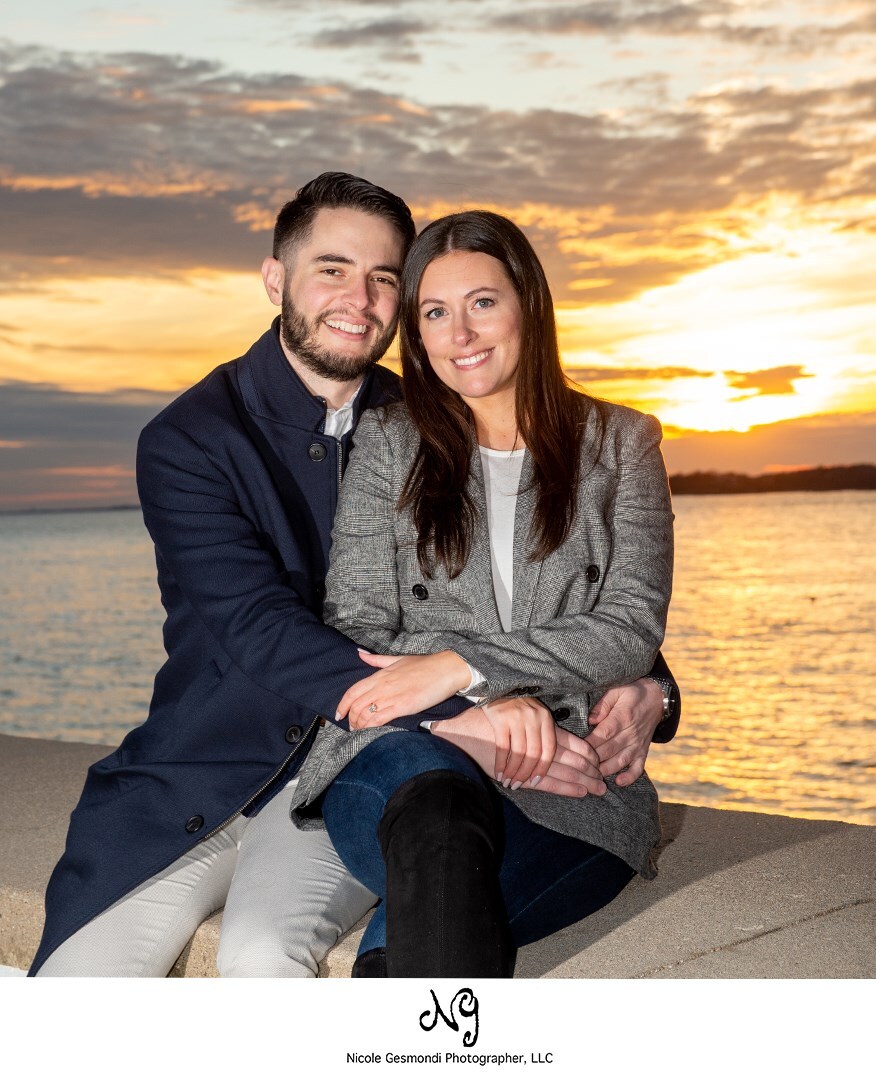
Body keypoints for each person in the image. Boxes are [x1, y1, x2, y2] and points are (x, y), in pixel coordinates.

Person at [30, 175, 678, 978]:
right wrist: (457, 711)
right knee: (71, 993)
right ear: (276, 280)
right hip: (211, 769)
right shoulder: (191, 440)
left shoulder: (428, 418)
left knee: (268, 958)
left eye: (383, 278)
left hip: (346, 771)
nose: (360, 298)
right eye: (332, 269)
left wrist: (651, 684)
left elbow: (556, 593)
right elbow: (262, 625)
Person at [289, 210, 675, 977]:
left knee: (428, 912)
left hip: (571, 776)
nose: (460, 333)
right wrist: (466, 710)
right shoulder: (389, 447)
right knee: (436, 816)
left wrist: (458, 662)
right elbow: (357, 626)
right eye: (435, 312)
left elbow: (631, 628)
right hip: (402, 758)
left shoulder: (623, 445)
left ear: (529, 303)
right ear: (418, 336)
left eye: (482, 303)